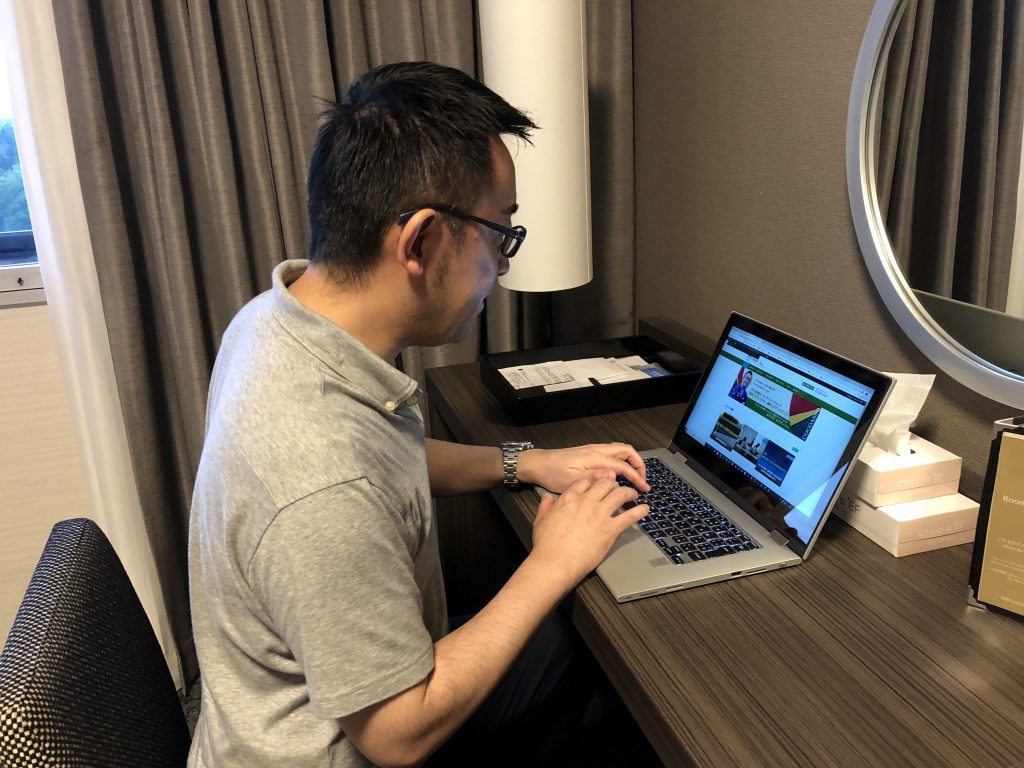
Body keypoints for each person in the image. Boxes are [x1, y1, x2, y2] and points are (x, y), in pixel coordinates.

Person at [187, 61, 651, 768]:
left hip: (319, 692)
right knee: (578, 629)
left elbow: (381, 460)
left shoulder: (274, 322)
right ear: (422, 242)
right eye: (501, 233)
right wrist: (552, 561)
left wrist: (528, 463)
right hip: (349, 742)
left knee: (563, 632)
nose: (503, 265)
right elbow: (398, 735)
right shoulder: (319, 482)